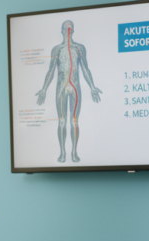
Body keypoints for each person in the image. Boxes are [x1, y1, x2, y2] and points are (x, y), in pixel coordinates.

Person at [36, 19, 102, 163]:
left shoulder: (79, 48)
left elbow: (85, 69)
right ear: (61, 31)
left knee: (74, 120)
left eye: (70, 27)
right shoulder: (56, 49)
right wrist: (44, 89)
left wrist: (92, 86)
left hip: (75, 86)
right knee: (61, 121)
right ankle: (62, 153)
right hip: (61, 87)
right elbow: (51, 71)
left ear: (73, 30)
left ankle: (74, 152)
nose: (68, 30)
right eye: (65, 27)